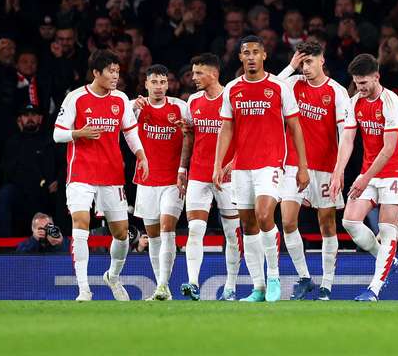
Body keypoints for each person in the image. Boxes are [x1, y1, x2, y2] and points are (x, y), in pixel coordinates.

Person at [213, 35, 309, 303]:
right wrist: (218, 164)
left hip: (271, 162)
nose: (252, 56)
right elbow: (226, 128)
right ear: (241, 57)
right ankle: (259, 287)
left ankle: (275, 277)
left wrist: (302, 166)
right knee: (248, 224)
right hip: (242, 166)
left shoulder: (279, 86)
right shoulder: (232, 89)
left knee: (265, 214)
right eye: (247, 52)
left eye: (256, 52)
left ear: (264, 56)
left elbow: (295, 127)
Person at [53, 50, 150, 301]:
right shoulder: (76, 98)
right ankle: (84, 288)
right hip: (81, 172)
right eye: (110, 71)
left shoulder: (120, 99)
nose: (115, 76)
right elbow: (57, 134)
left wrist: (141, 155)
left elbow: (130, 132)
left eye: (117, 71)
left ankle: (113, 277)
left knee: (121, 234)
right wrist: (78, 133)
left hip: (112, 173)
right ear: (96, 73)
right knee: (81, 223)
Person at [330, 53, 398, 302]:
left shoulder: (392, 103)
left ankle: (374, 289)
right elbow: (348, 140)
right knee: (350, 221)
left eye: (364, 83)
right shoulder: (354, 103)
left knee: (387, 228)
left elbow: (389, 149)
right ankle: (386, 259)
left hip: (395, 172)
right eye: (356, 83)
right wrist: (338, 171)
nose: (360, 88)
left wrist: (364, 178)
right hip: (369, 172)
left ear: (376, 77)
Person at [277, 40, 351, 300]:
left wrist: (339, 171)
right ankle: (305, 277)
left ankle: (326, 285)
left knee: (327, 224)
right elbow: (270, 87)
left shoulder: (337, 91)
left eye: (310, 61)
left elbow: (345, 135)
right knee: (287, 221)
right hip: (293, 164)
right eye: (302, 62)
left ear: (322, 60)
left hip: (324, 167)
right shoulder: (293, 85)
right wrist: (290, 67)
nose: (305, 67)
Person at [178, 53, 241, 301]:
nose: (193, 78)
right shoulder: (192, 101)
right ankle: (193, 283)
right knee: (195, 229)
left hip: (229, 177)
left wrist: (234, 164)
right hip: (198, 174)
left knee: (232, 234)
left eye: (199, 73)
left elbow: (246, 137)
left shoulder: (232, 99)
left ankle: (231, 287)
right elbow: (189, 137)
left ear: (213, 74)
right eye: (193, 73)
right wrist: (183, 169)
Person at [132, 64, 192, 301]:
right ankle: (162, 287)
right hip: (147, 180)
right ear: (146, 84)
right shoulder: (136, 108)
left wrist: (187, 132)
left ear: (168, 84)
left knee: (168, 228)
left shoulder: (180, 107)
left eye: (162, 82)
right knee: (153, 235)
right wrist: (131, 106)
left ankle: (162, 286)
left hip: (172, 180)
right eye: (154, 82)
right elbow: (119, 118)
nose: (158, 86)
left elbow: (193, 135)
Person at [0, 104, 58, 236]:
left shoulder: (49, 141)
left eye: (33, 115)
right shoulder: (12, 142)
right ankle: (4, 245)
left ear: (40, 119)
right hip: (16, 189)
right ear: (19, 120)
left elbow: (59, 165)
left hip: (41, 189)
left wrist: (57, 181)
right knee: (3, 196)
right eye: (26, 115)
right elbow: (2, 167)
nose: (30, 118)